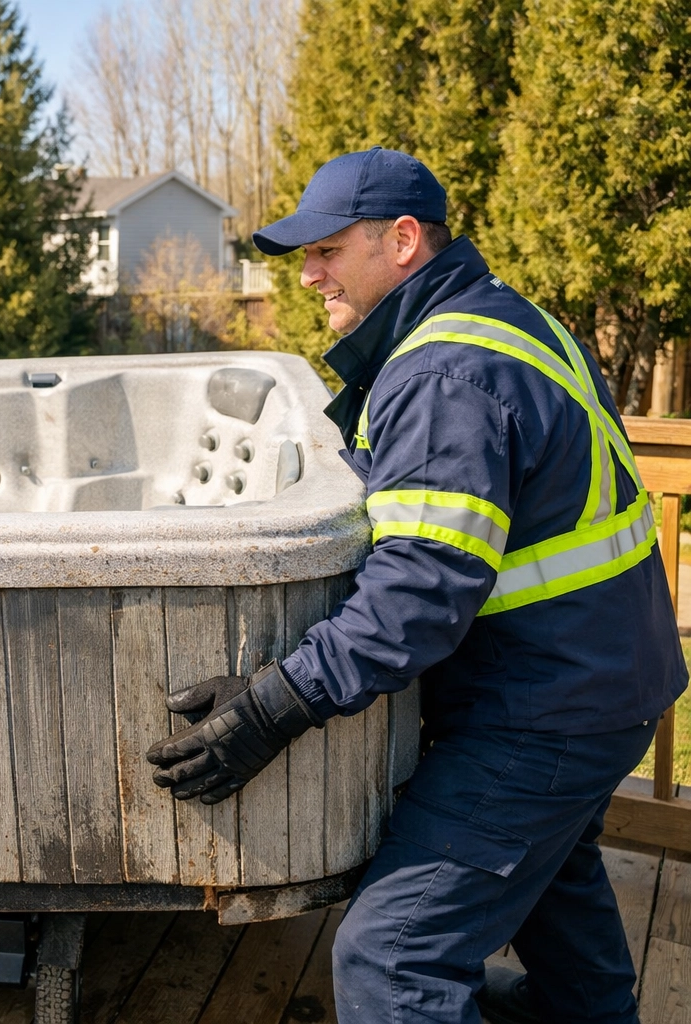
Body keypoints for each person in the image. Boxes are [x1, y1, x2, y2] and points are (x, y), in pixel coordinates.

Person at [146, 147, 686, 1024]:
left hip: (544, 711)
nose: (309, 274)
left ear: (402, 240)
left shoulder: (443, 374)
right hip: (608, 684)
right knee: (555, 894)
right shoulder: (508, 319)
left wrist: (271, 708)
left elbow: (417, 596)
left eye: (326, 249)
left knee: (392, 958)